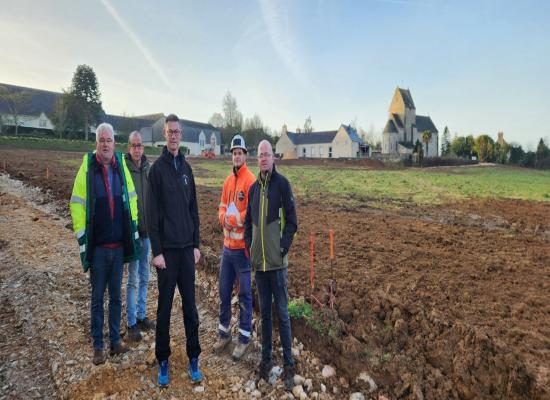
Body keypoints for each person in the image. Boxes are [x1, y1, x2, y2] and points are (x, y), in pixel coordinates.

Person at [69, 123, 141, 365]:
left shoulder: (120, 168)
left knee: (116, 299)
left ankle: (114, 342)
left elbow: (132, 200)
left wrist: (132, 231)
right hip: (99, 249)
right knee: (97, 298)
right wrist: (83, 239)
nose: (106, 144)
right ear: (96, 143)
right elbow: (76, 204)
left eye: (109, 140)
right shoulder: (88, 170)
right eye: (102, 140)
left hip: (118, 248)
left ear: (114, 143)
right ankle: (98, 346)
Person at [146, 114, 202, 387]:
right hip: (166, 254)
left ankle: (194, 356)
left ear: (181, 135)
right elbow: (151, 214)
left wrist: (196, 245)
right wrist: (156, 251)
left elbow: (194, 210)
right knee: (165, 309)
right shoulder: (156, 170)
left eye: (177, 132)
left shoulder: (187, 170)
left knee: (190, 307)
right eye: (169, 132)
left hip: (186, 253)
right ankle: (163, 360)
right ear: (164, 135)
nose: (173, 136)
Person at [244, 140, 298, 391]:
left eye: (267, 154)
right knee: (265, 314)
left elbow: (292, 222)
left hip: (277, 265)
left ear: (273, 158)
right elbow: (248, 225)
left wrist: (283, 248)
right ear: (257, 159)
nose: (263, 158)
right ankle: (266, 361)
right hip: (260, 266)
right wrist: (250, 247)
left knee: (283, 315)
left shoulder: (282, 185)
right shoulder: (254, 190)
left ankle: (289, 365)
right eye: (260, 155)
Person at [214, 134, 256, 360]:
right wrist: (223, 218)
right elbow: (221, 205)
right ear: (231, 156)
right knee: (223, 291)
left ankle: (243, 339)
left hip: (242, 250)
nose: (237, 156)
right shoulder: (228, 181)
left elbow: (251, 212)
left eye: (240, 153)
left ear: (245, 155)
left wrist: (235, 219)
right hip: (227, 249)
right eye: (234, 153)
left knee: (245, 295)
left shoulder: (250, 180)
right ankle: (224, 334)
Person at [125, 131, 155, 342]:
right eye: (134, 146)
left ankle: (142, 315)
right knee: (133, 279)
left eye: (140, 146)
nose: (137, 149)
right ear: (129, 148)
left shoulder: (148, 169)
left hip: (148, 233)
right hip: (132, 234)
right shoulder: (124, 170)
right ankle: (131, 322)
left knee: (145, 277)